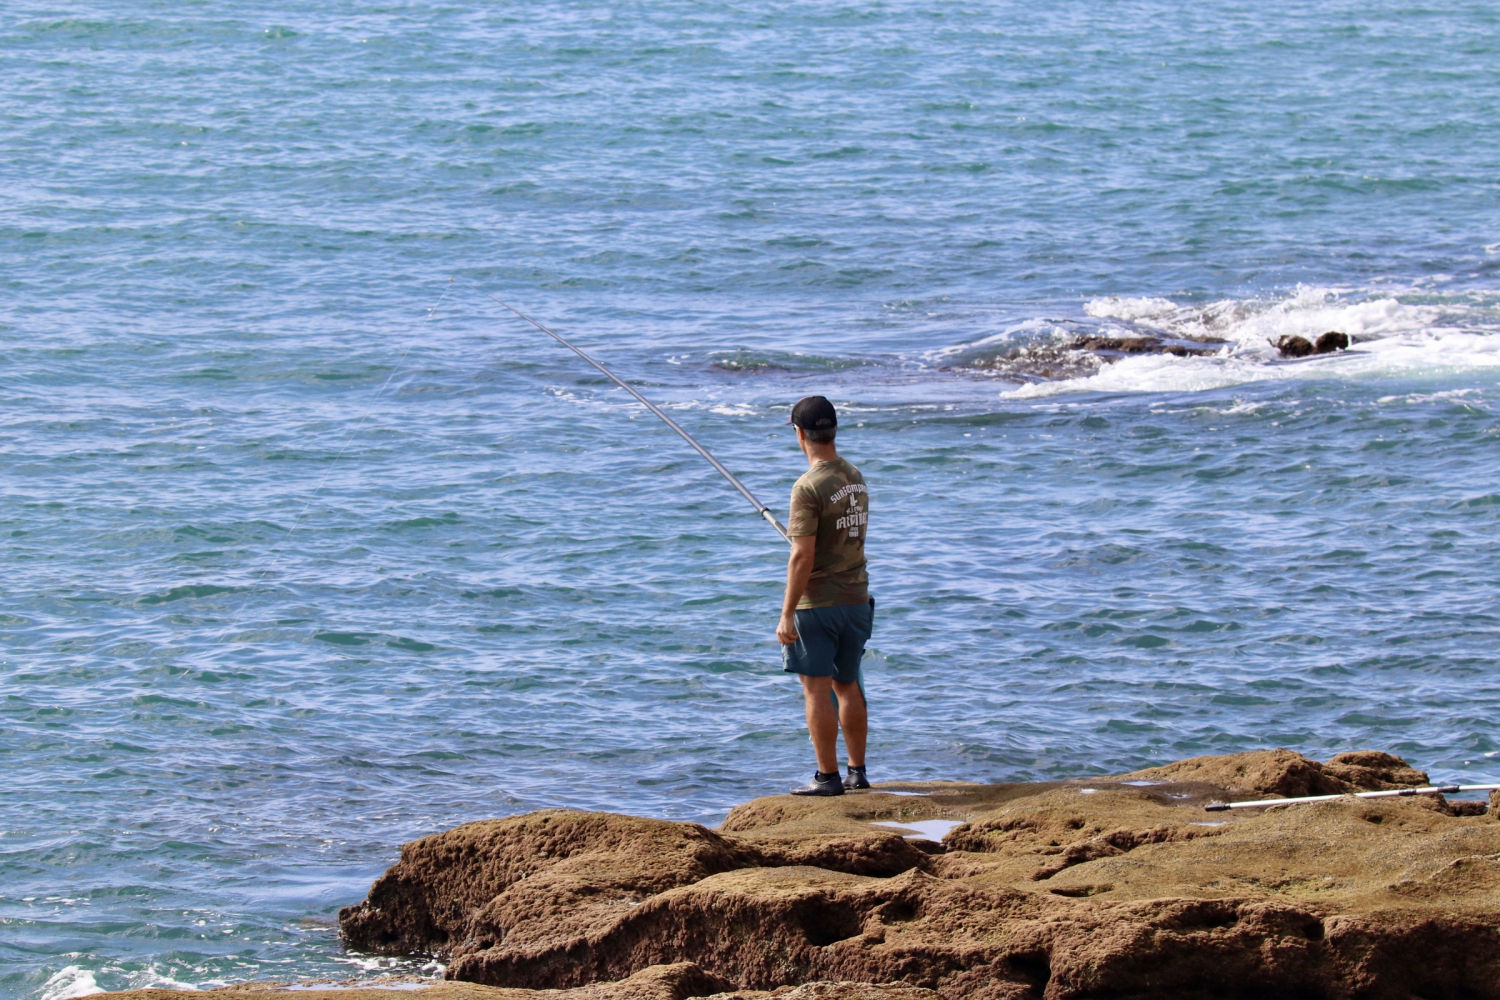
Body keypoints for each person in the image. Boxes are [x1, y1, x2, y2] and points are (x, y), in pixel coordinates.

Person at [777, 395, 874, 796]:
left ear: (799, 434)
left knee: (816, 688)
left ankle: (827, 777)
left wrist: (787, 613)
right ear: (834, 430)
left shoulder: (807, 486)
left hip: (818, 604)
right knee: (847, 683)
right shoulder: (855, 476)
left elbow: (802, 555)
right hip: (857, 600)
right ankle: (857, 772)